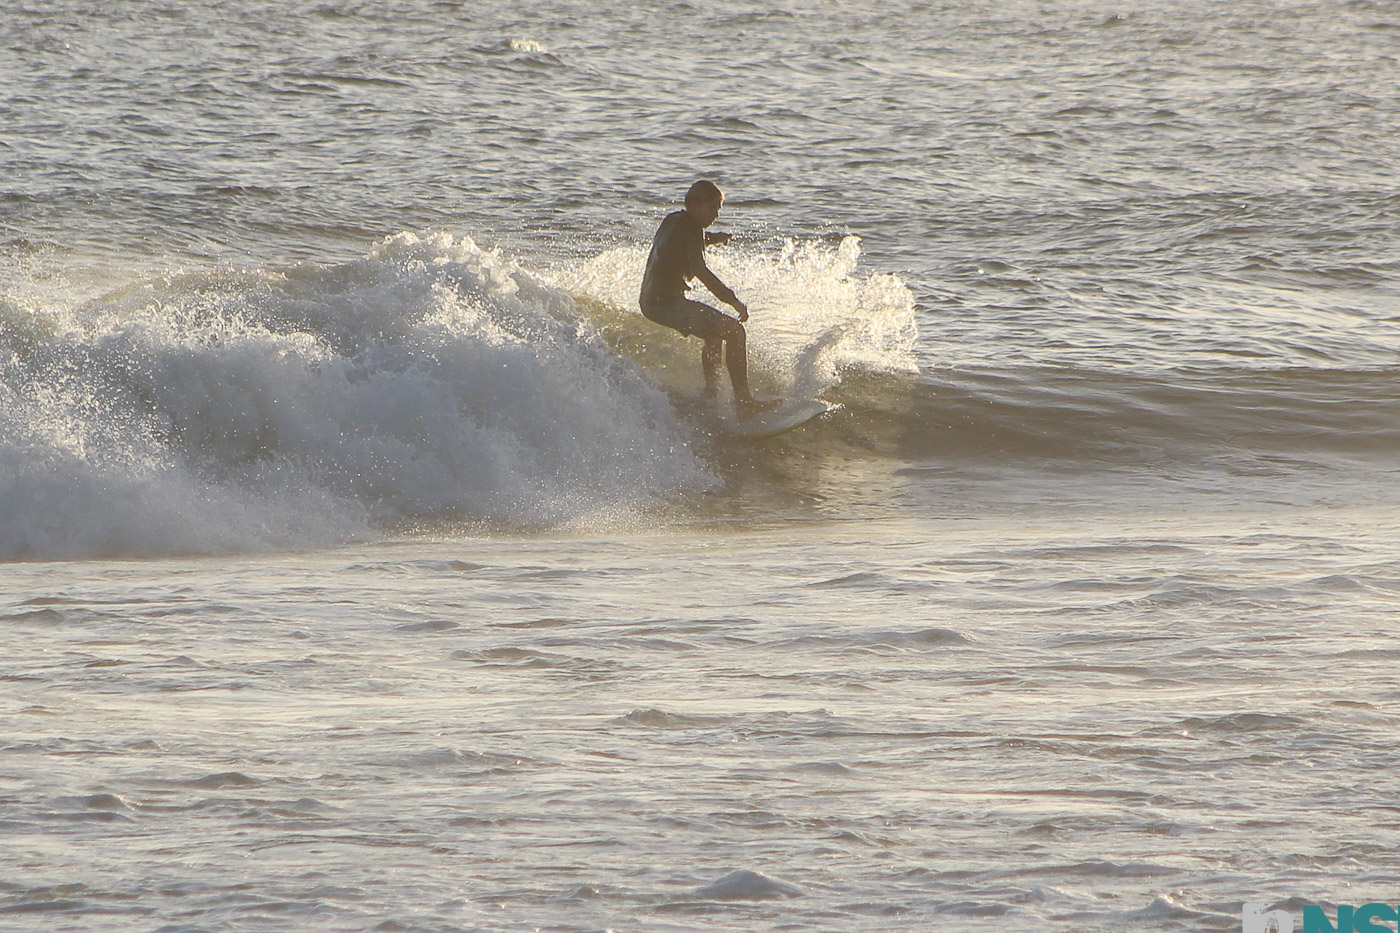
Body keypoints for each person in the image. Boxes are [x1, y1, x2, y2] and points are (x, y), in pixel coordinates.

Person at [639, 180, 778, 421]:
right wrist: (733, 301)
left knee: (714, 334)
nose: (716, 214)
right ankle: (744, 404)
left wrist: (713, 239)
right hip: (667, 304)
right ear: (693, 204)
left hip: (650, 301)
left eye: (718, 209)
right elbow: (701, 271)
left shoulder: (674, 220)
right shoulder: (692, 229)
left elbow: (681, 242)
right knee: (735, 332)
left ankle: (711, 395)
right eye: (713, 208)